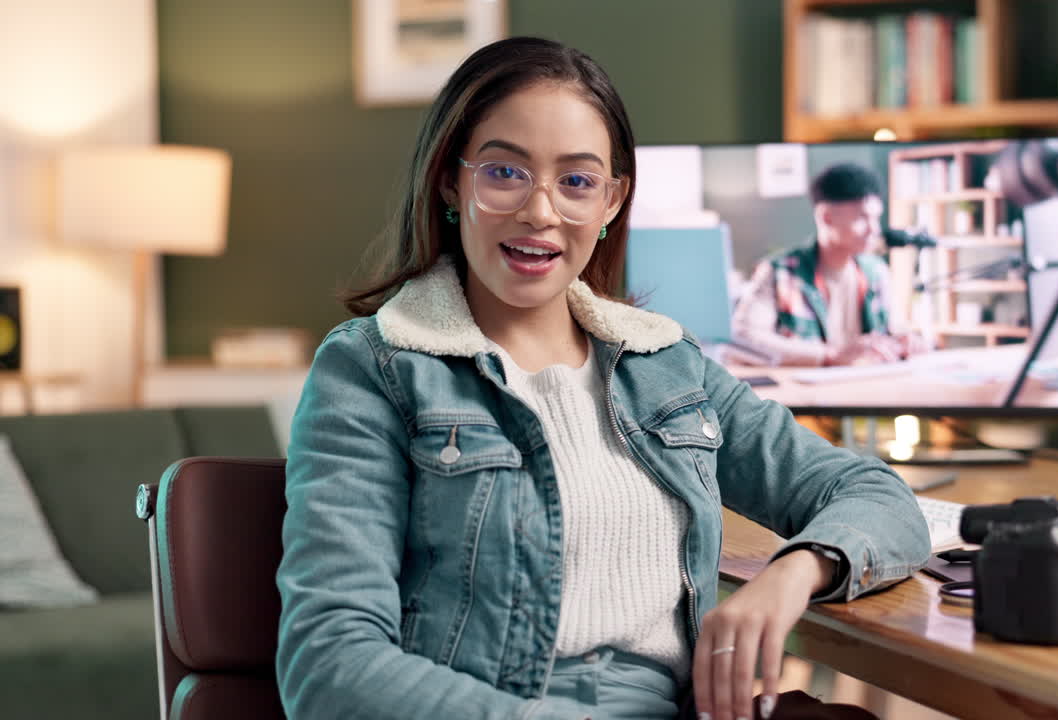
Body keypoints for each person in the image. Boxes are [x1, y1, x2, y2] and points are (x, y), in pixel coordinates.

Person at [276, 37, 929, 720]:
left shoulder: (666, 365)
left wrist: (794, 571)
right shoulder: (373, 369)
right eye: (505, 172)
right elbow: (329, 664)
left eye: (577, 181)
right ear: (451, 181)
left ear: (613, 200)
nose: (540, 211)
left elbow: (879, 497)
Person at [731, 163, 926, 367]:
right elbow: (744, 338)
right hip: (805, 385)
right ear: (826, 217)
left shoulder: (877, 270)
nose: (874, 229)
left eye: (876, 218)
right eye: (862, 218)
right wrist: (829, 355)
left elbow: (894, 328)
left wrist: (905, 340)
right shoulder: (779, 271)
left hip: (869, 380)